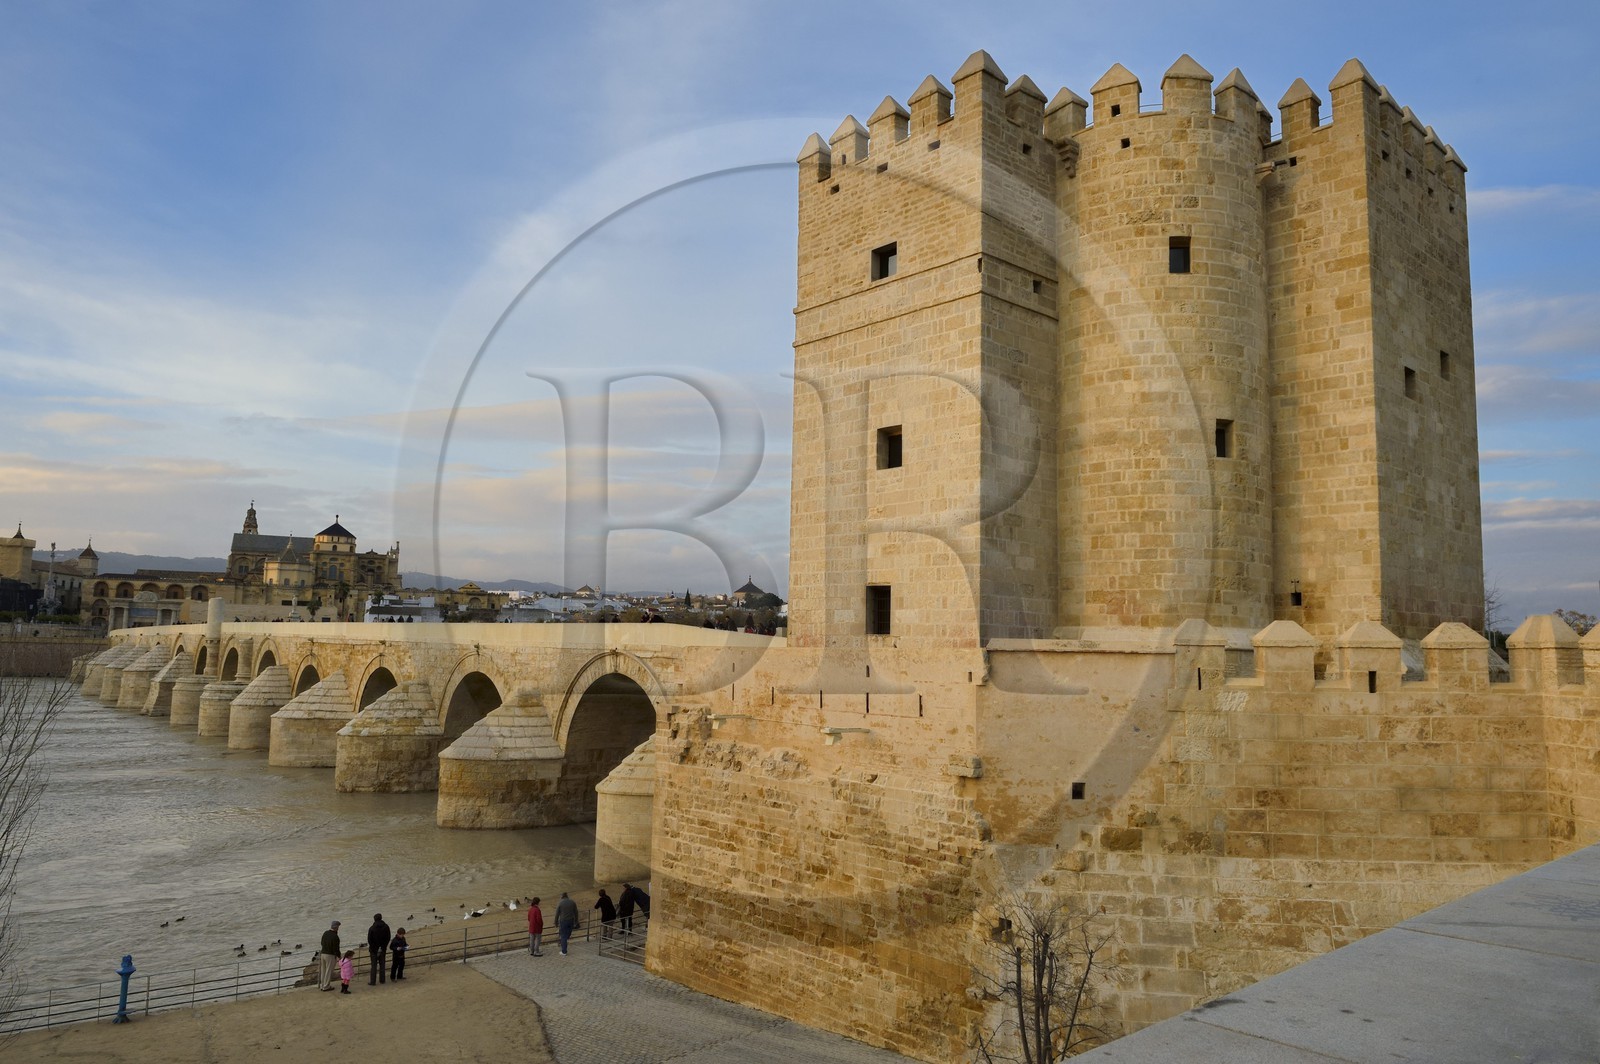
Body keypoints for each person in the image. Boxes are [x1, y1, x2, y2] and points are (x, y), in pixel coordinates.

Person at [367, 913, 391, 985]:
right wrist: (384, 946)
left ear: (374, 919)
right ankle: (382, 980)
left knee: (373, 965)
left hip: (374, 950)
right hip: (383, 948)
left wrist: (373, 947)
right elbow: (388, 937)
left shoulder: (372, 928)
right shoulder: (386, 927)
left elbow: (369, 940)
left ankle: (373, 981)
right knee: (382, 964)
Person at [318, 920, 341, 991]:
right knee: (329, 971)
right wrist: (339, 956)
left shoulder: (325, 933)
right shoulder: (335, 936)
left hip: (323, 953)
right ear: (336, 927)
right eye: (338, 927)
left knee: (323, 970)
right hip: (330, 955)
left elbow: (322, 942)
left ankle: (322, 985)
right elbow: (336, 948)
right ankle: (326, 986)